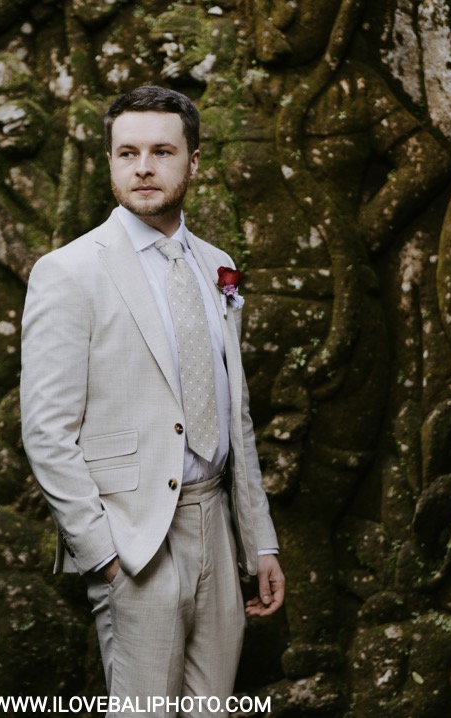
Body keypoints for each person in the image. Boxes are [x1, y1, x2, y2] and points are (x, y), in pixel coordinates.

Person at [20, 85, 284, 715]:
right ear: (110, 162)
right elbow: (47, 431)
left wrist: (260, 542)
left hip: (216, 524)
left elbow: (236, 413)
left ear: (193, 162)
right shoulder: (69, 271)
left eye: (162, 151)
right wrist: (105, 556)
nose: (143, 167)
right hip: (135, 541)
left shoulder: (216, 266)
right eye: (127, 153)